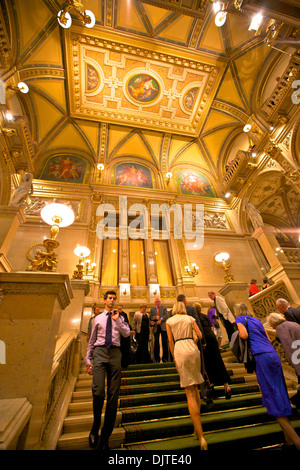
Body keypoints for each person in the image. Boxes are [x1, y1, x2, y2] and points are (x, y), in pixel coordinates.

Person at [235, 303, 300, 450]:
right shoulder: (257, 320)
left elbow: (244, 335)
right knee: (280, 390)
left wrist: (237, 333)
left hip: (261, 356)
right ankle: (288, 440)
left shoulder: (240, 319)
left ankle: (296, 441)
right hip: (272, 354)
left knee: (271, 395)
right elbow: (269, 339)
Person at [85, 290, 130, 451]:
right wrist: (88, 359)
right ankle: (95, 426)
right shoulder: (97, 318)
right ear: (104, 301)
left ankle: (105, 437)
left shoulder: (121, 318)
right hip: (100, 352)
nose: (112, 301)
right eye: (109, 298)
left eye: (114, 299)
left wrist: (117, 321)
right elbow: (92, 341)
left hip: (115, 354)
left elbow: (126, 334)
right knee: (98, 391)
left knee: (113, 397)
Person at [166, 301, 208, 450]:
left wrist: (174, 358)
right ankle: (197, 431)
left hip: (180, 348)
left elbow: (170, 341)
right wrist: (193, 339)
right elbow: (200, 335)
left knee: (189, 392)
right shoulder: (190, 318)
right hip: (192, 348)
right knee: (195, 387)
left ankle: (202, 436)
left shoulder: (169, 321)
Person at [193, 302, 231, 399]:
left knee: (207, 361)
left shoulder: (194, 319)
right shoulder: (205, 316)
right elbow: (211, 327)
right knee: (218, 360)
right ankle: (226, 385)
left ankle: (212, 384)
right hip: (212, 337)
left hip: (204, 339)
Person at [267, 312, 300, 408]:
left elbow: (289, 347)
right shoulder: (292, 324)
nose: (272, 328)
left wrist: (296, 366)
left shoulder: (281, 329)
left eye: (271, 325)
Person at [150, 298, 169, 362]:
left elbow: (166, 315)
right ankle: (157, 358)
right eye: (156, 302)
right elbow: (151, 317)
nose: (158, 303)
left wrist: (161, 319)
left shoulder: (164, 308)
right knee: (156, 342)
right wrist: (155, 317)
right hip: (156, 327)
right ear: (155, 303)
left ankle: (165, 358)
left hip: (163, 326)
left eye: (159, 302)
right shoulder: (152, 310)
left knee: (164, 342)